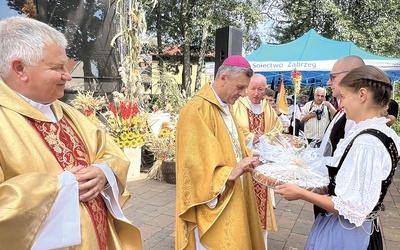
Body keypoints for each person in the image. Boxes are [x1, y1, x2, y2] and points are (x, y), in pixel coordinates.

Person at [0, 17, 142, 249]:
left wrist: (103, 172)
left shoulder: (67, 112)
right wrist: (60, 187)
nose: (67, 75)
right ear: (20, 69)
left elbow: (110, 152)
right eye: (57, 68)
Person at [275, 65, 400, 249]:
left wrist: (301, 193)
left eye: (343, 97)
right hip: (362, 230)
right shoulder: (383, 133)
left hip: (347, 234)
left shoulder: (366, 142)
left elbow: (351, 207)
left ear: (362, 95)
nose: (341, 104)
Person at [175, 55, 265, 249]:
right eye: (240, 87)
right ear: (223, 78)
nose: (243, 94)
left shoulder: (226, 106)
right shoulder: (196, 110)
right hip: (213, 203)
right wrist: (228, 173)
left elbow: (232, 146)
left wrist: (251, 157)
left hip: (235, 194)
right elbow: (192, 167)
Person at [232, 73, 281, 247]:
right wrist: (254, 138)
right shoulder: (238, 106)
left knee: (261, 210)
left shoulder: (267, 109)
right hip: (244, 165)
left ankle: (260, 244)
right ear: (247, 88)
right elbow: (234, 130)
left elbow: (278, 129)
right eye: (253, 88)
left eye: (260, 89)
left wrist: (266, 137)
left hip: (262, 166)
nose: (256, 93)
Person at [314, 55, 365, 219]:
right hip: (329, 199)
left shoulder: (357, 119)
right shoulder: (343, 112)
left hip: (340, 210)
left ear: (350, 76)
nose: (329, 82)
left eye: (333, 77)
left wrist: (302, 192)